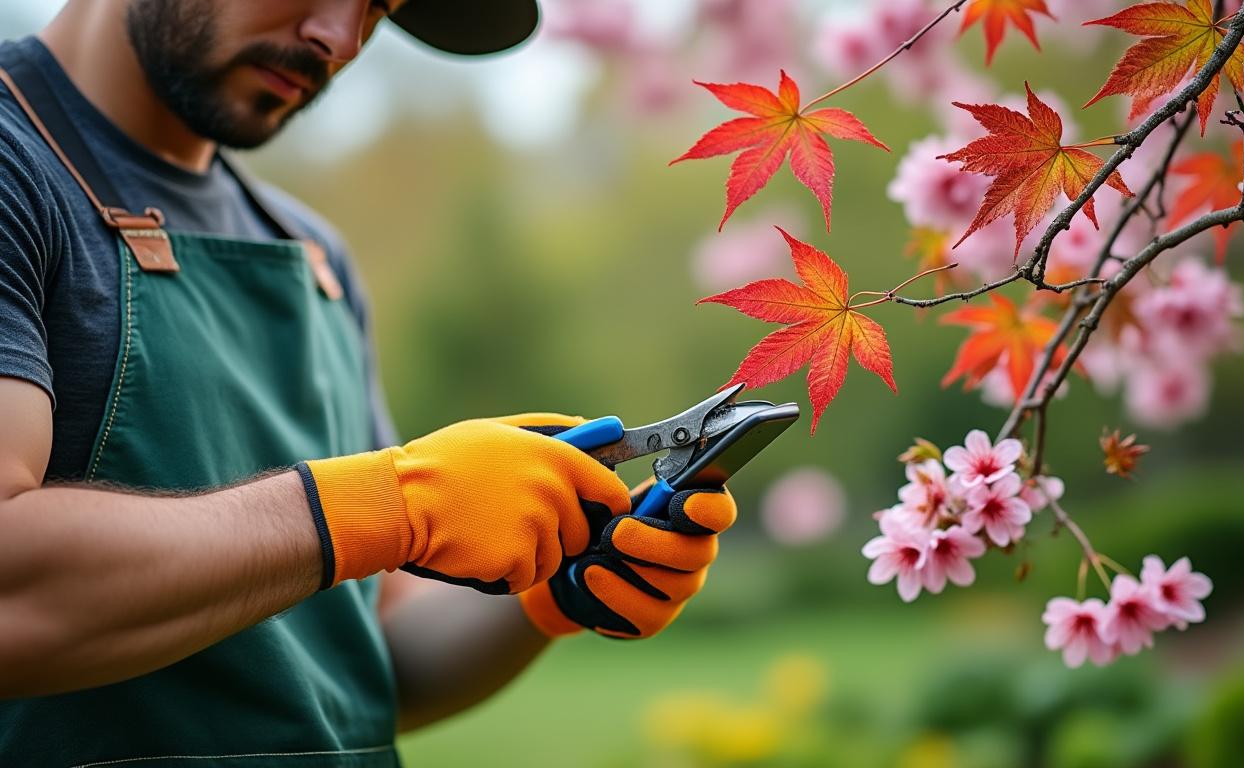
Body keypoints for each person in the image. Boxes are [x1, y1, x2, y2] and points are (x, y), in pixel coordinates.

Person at [0, 1, 736, 764]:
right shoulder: (15, 171)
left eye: (380, 7)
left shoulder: (311, 256)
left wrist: (554, 593)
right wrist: (392, 504)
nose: (340, 40)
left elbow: (353, 657)